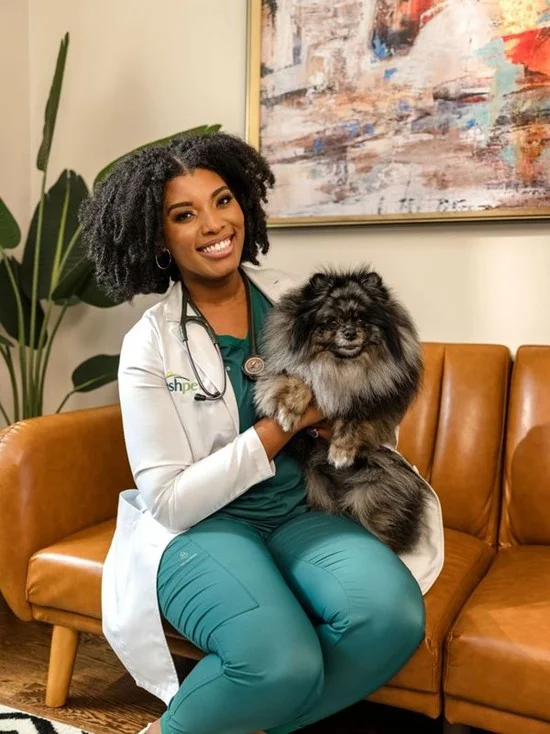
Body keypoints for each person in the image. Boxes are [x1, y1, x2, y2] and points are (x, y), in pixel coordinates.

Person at [79, 132, 444, 734]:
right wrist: (284, 428)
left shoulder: (294, 298)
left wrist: (346, 421)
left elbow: (373, 392)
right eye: (184, 214)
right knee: (280, 663)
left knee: (392, 616)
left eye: (223, 201)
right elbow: (169, 501)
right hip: (201, 531)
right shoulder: (149, 342)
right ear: (160, 239)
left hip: (304, 509)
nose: (214, 224)